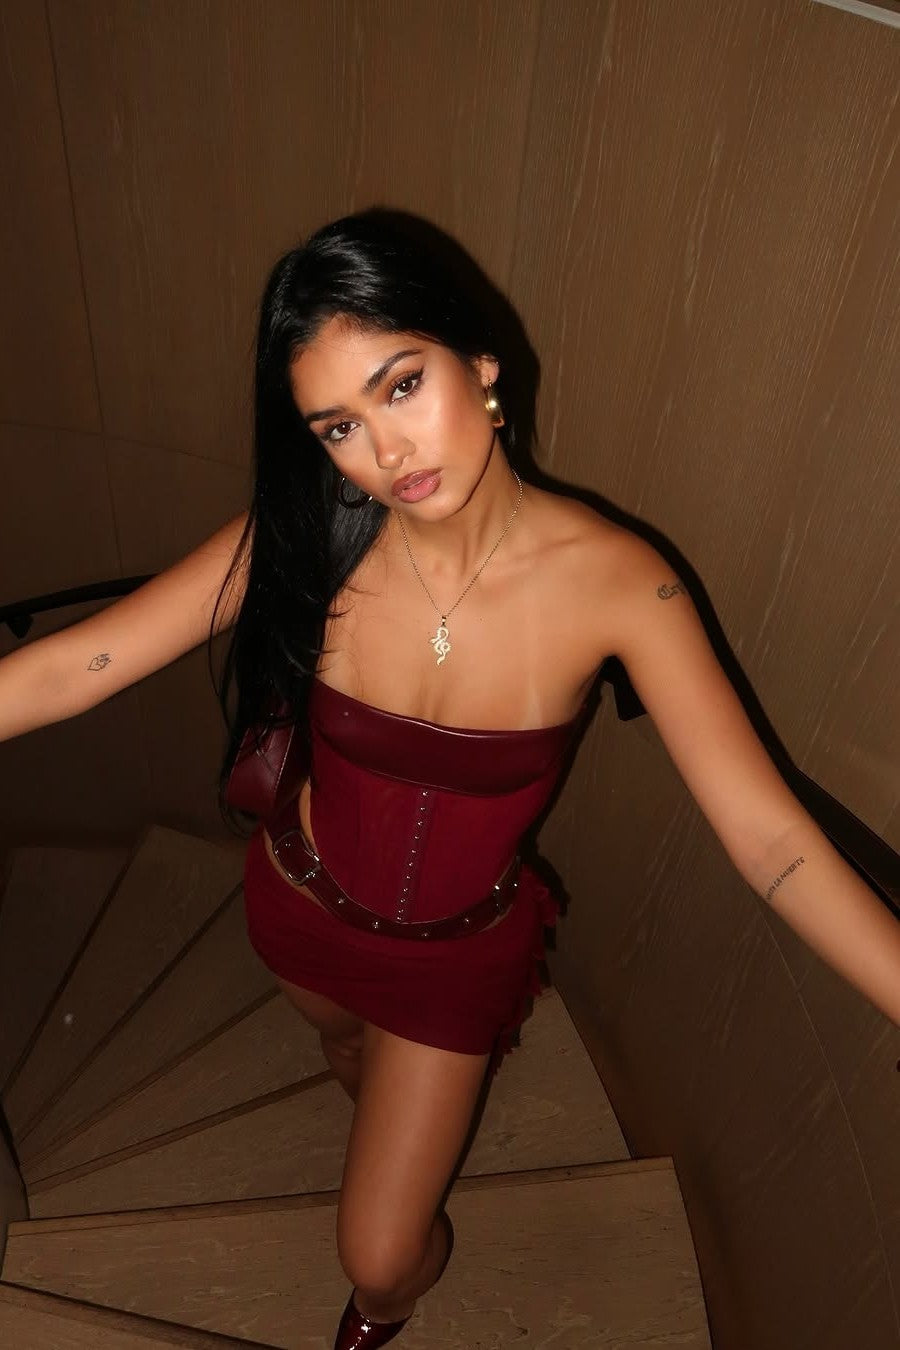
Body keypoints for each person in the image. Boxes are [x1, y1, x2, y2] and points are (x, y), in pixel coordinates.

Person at [2, 209, 898, 1349]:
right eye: (339, 425)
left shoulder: (620, 583)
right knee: (342, 1052)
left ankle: (386, 1309)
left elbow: (773, 842)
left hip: (451, 953)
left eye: (402, 385)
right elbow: (74, 666)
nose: (386, 452)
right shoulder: (307, 532)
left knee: (379, 1253)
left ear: (480, 361)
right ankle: (377, 1105)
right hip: (298, 902)